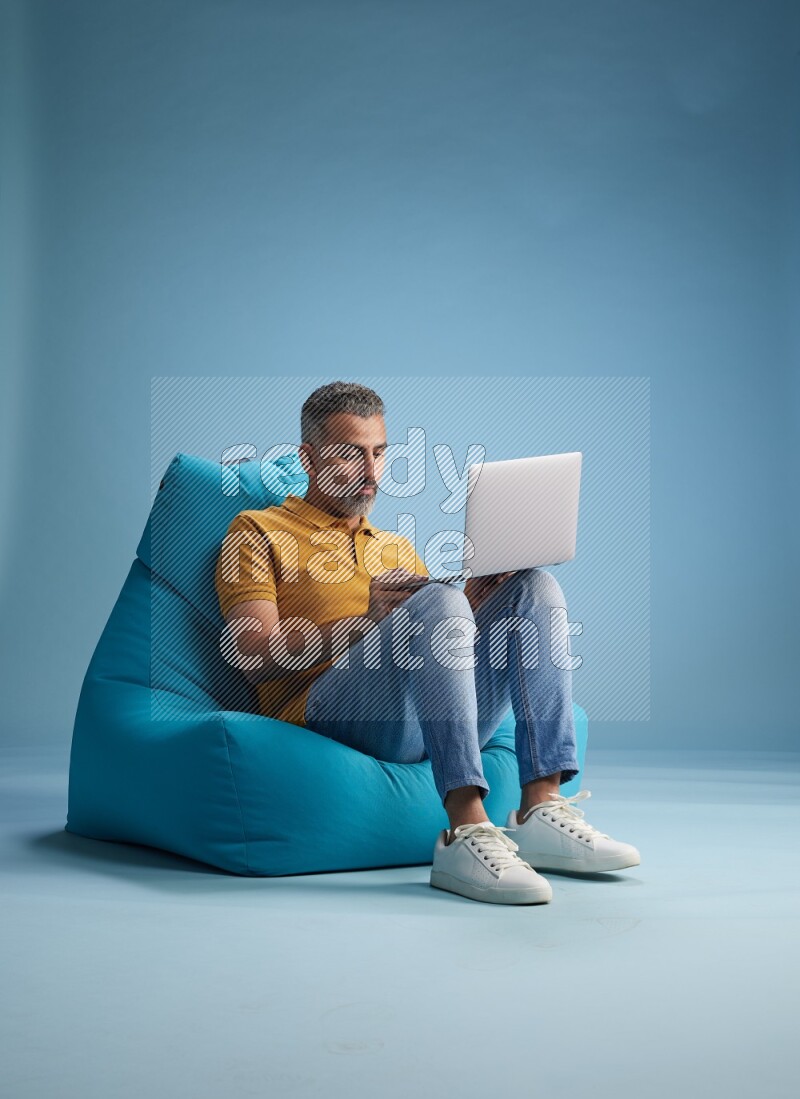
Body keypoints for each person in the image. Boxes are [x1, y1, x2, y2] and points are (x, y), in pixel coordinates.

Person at [215, 380, 640, 905]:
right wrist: (362, 624)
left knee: (532, 587)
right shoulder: (257, 530)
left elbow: (432, 648)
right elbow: (249, 655)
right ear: (307, 457)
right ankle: (465, 829)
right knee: (438, 602)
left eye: (379, 454)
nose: (372, 474)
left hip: (418, 722)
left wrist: (475, 607)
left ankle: (541, 805)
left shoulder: (394, 547)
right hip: (327, 715)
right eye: (351, 455)